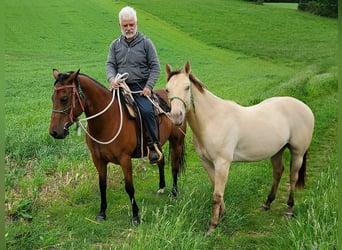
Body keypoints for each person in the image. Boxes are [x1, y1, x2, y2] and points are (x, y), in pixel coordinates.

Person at [106, 6, 163, 164]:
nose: (129, 28)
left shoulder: (146, 43)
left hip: (140, 88)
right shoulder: (115, 45)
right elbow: (110, 65)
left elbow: (155, 67)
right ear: (120, 26)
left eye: (131, 24)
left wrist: (149, 87)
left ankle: (153, 145)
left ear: (136, 23)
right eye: (125, 25)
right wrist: (112, 79)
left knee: (146, 110)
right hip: (121, 86)